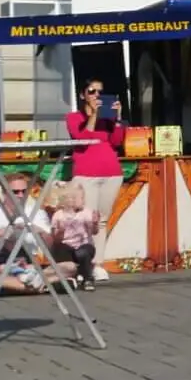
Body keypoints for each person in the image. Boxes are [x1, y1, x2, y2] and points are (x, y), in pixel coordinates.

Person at [0, 172, 67, 294]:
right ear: (5, 193)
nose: (21, 195)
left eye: (24, 191)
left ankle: (6, 287)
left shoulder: (36, 212)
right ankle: (37, 286)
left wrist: (40, 231)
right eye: (16, 192)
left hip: (28, 267)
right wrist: (2, 232)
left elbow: (50, 247)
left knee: (69, 267)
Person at [65, 78, 124, 279]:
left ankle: (98, 263)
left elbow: (116, 141)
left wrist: (117, 118)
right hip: (86, 173)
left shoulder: (107, 119)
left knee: (101, 220)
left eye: (100, 92)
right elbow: (82, 139)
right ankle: (83, 264)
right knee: (86, 219)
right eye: (92, 91)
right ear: (83, 95)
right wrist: (93, 116)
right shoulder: (74, 117)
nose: (96, 95)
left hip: (111, 172)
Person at [44, 182, 100, 291]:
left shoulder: (86, 212)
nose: (84, 201)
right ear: (69, 200)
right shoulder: (59, 215)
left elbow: (94, 232)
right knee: (59, 248)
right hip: (66, 246)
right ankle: (69, 275)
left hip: (83, 245)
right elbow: (56, 239)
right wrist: (60, 231)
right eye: (81, 198)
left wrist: (95, 224)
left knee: (83, 251)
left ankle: (87, 277)